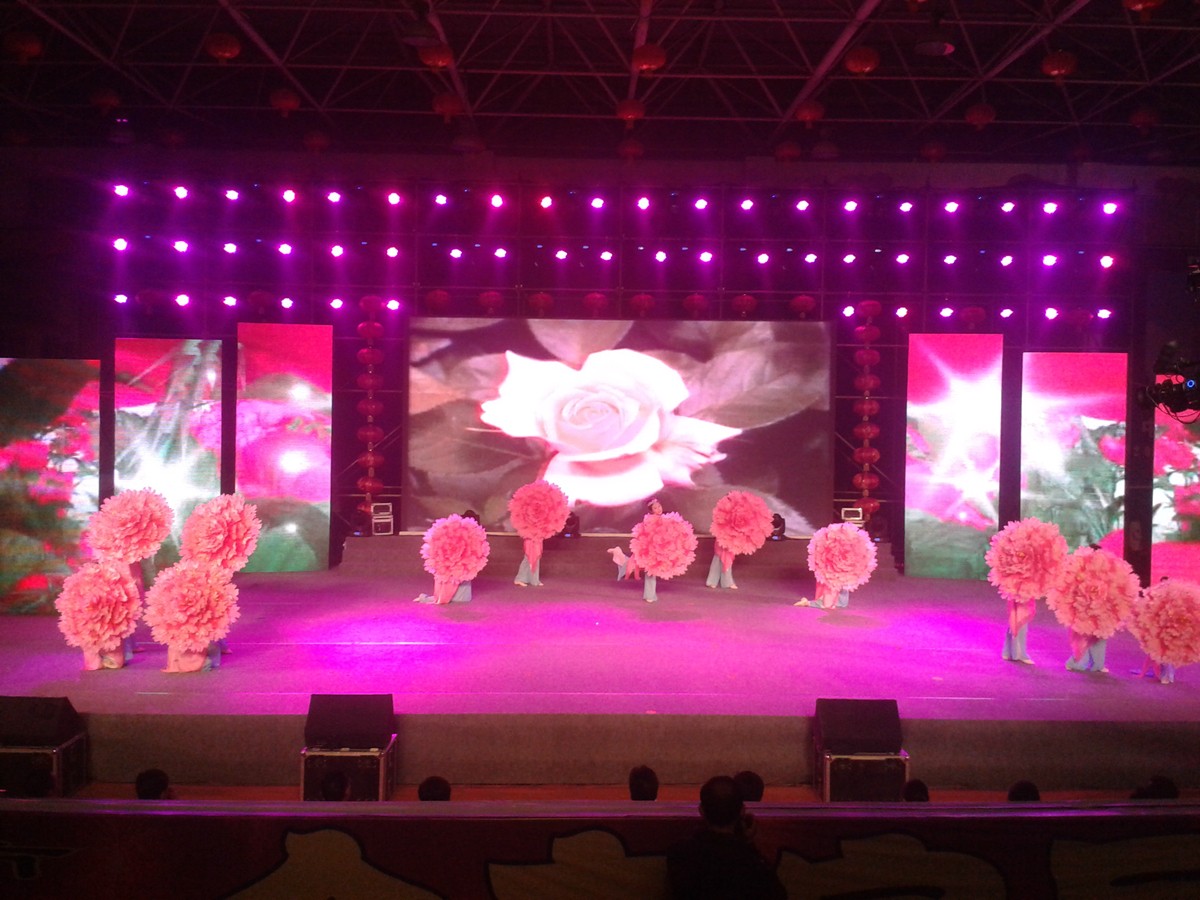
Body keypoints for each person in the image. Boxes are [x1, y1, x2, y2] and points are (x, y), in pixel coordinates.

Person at [666, 775, 786, 900]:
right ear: (742, 811)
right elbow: (777, 894)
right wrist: (749, 844)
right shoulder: (752, 863)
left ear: (701, 810)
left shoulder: (679, 854)